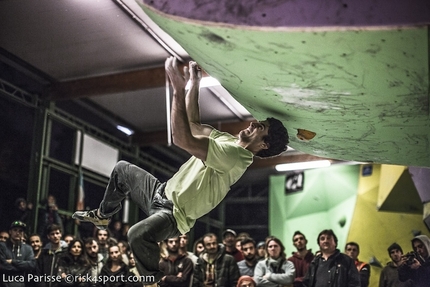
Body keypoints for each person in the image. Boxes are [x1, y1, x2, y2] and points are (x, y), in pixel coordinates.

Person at [72, 57, 289, 284]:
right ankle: (103, 216)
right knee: (121, 170)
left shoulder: (235, 158)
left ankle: (152, 282)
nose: (254, 124)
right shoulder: (229, 141)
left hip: (173, 216)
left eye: (260, 127)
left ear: (263, 144)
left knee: (136, 235)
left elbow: (182, 138)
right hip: (159, 192)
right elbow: (194, 125)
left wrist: (177, 89)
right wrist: (194, 83)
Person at [0, 221, 36, 287]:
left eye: (20, 231)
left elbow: (32, 265)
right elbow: (2, 265)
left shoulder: (28, 248)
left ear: (23, 233)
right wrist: (21, 268)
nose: (17, 233)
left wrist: (13, 261)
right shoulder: (2, 246)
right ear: (10, 231)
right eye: (15, 230)